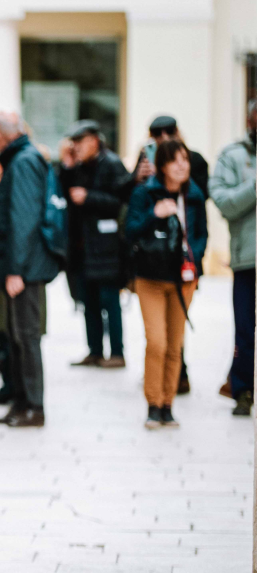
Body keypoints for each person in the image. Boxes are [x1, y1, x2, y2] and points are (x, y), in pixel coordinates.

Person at [0, 112, 61, 428]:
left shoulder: (24, 162)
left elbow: (23, 218)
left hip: (24, 268)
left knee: (26, 337)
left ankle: (33, 406)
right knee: (16, 336)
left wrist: (15, 269)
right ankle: (20, 403)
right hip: (20, 266)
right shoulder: (22, 158)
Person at [125, 139, 207, 429]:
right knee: (156, 341)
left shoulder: (194, 195)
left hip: (183, 279)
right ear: (162, 165)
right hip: (150, 277)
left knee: (175, 344)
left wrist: (194, 262)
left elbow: (201, 234)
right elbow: (130, 231)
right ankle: (152, 403)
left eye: (185, 159)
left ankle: (168, 405)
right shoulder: (144, 194)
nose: (183, 165)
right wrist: (154, 214)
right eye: (175, 160)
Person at [58, 120, 131, 369]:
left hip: (107, 247)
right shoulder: (78, 167)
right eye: (73, 142)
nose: (75, 147)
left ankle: (117, 353)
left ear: (94, 141)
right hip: (82, 248)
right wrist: (67, 167)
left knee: (109, 301)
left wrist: (90, 198)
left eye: (79, 142)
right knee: (87, 301)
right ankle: (95, 350)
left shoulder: (111, 164)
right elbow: (63, 193)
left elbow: (122, 202)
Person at [209, 100, 257, 417]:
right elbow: (224, 202)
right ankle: (242, 390)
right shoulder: (232, 156)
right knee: (245, 329)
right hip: (247, 259)